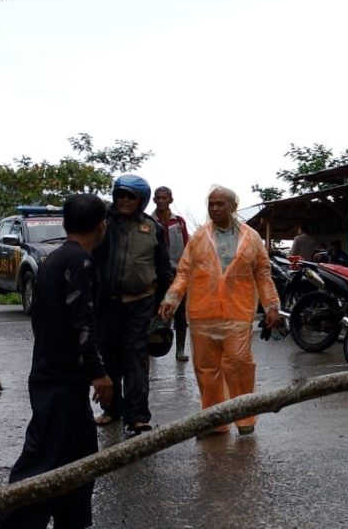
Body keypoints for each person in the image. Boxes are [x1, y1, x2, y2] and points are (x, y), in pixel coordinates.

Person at [0, 194, 113, 529]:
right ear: (101, 226)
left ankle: (73, 521)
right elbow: (82, 323)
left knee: (79, 457)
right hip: (60, 380)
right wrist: (98, 373)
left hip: (53, 374)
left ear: (65, 223)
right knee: (41, 462)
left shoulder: (52, 260)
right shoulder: (79, 263)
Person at [157, 186, 281, 436]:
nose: (214, 208)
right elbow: (184, 272)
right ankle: (214, 421)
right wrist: (172, 298)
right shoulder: (200, 237)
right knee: (206, 371)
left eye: (219, 204)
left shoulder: (252, 238)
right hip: (202, 314)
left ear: (232, 206)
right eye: (211, 204)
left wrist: (271, 306)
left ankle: (245, 418)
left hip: (238, 313)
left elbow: (263, 274)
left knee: (239, 364)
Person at [93, 175, 173, 436]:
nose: (125, 200)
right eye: (121, 195)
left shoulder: (153, 228)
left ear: (141, 200)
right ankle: (112, 409)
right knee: (110, 359)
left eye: (131, 196)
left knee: (136, 361)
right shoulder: (103, 224)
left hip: (141, 304)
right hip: (108, 304)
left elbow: (163, 269)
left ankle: (138, 417)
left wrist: (164, 305)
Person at [152, 186, 191, 362]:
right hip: (156, 274)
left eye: (164, 198)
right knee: (154, 312)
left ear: (170, 200)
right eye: (158, 198)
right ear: (154, 200)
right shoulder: (149, 221)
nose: (161, 201)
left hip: (178, 273)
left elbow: (187, 246)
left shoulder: (179, 222)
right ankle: (151, 348)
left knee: (180, 314)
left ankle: (180, 350)